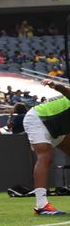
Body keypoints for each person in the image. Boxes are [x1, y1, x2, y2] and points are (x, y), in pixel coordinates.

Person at [20, 86, 69, 216]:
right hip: (39, 119)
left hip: (59, 125)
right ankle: (41, 205)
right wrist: (57, 86)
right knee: (46, 156)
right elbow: (67, 92)